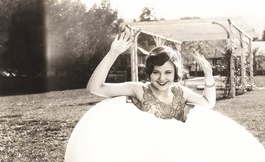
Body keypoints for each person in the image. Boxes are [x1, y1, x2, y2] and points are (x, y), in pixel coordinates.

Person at [86, 31, 216, 122]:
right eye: (156, 72)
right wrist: (112, 54)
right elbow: (94, 88)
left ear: (175, 73)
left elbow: (209, 103)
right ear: (149, 72)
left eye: (168, 72)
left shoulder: (180, 92)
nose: (162, 78)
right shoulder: (139, 90)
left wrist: (208, 75)